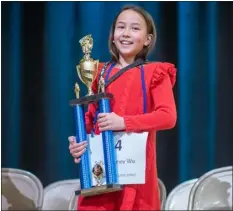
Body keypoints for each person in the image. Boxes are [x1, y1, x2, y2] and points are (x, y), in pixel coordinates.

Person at [68, 4, 177, 210]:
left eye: (135, 28)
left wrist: (123, 122)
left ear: (148, 39)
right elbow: (90, 121)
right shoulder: (99, 72)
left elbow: (168, 117)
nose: (126, 33)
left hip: (134, 174)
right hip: (100, 177)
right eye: (121, 27)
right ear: (112, 35)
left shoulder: (155, 72)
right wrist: (79, 143)